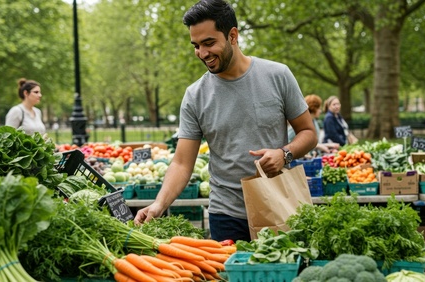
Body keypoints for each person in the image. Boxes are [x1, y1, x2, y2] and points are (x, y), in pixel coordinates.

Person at [134, 0, 317, 242]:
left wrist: (284, 153)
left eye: (209, 43)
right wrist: (159, 204)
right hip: (225, 214)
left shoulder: (277, 75)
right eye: (196, 46)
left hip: (278, 203)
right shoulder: (195, 96)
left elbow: (308, 133)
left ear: (233, 36)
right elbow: (181, 163)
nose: (202, 53)